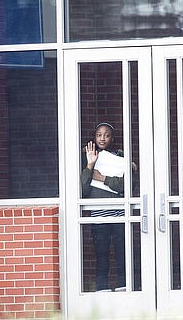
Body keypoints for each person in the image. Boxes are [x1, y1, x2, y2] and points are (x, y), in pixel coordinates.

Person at [81, 122, 126, 292]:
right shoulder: (88, 157)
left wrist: (103, 178)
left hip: (120, 214)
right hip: (99, 214)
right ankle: (102, 289)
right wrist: (90, 165)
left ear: (112, 138)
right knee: (102, 256)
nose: (102, 138)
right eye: (99, 134)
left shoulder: (119, 157)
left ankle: (124, 287)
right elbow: (83, 190)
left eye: (106, 135)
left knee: (122, 254)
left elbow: (125, 185)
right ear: (94, 137)